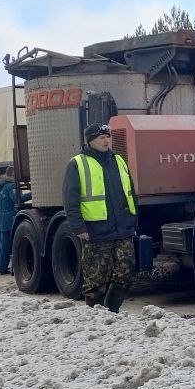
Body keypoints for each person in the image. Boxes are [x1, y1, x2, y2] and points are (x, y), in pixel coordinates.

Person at [63, 124, 137, 312]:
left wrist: (134, 220)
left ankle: (111, 311)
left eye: (107, 137)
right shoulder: (77, 163)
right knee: (96, 279)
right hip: (95, 231)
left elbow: (131, 193)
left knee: (126, 273)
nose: (106, 141)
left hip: (123, 229)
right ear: (90, 141)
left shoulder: (118, 160)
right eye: (101, 138)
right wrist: (79, 228)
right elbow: (70, 200)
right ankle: (96, 317)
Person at [0, 168, 19, 274]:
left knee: (1, 243)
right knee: (0, 243)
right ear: (2, 175)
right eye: (8, 173)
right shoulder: (1, 186)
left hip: (0, 217)